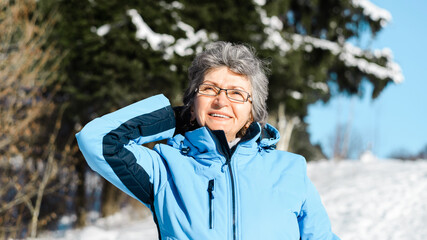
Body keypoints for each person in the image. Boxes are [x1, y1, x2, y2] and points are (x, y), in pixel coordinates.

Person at [76, 41, 340, 240]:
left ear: (253, 111)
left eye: (236, 93)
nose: (221, 100)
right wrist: (178, 118)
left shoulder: (290, 170)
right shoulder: (165, 169)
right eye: (209, 89)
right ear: (192, 101)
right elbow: (97, 139)